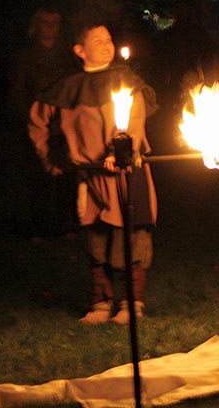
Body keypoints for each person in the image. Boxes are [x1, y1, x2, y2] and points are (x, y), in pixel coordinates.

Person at [28, 19, 159, 325]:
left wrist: (122, 152)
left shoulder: (127, 81)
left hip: (127, 172)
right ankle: (100, 302)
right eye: (97, 40)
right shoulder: (66, 88)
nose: (106, 44)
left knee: (133, 236)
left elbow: (135, 124)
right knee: (95, 238)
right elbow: (37, 122)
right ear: (79, 50)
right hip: (90, 176)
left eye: (109, 39)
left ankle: (132, 303)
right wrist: (50, 159)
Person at [4, 6, 79, 237]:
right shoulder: (25, 56)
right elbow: (16, 91)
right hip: (35, 123)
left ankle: (65, 223)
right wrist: (30, 118)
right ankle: (39, 225)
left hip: (62, 125)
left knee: (66, 175)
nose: (50, 28)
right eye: (45, 23)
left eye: (55, 23)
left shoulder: (68, 56)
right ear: (36, 26)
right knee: (38, 176)